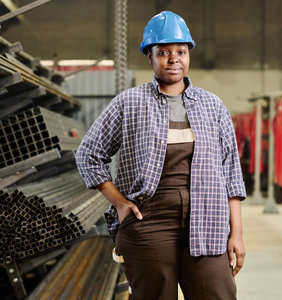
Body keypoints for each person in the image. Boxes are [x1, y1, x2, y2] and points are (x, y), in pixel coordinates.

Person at [75, 10, 246, 300]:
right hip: (148, 221)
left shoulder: (212, 106)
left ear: (188, 54)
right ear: (149, 56)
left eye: (180, 51)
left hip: (208, 218)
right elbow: (88, 154)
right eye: (163, 52)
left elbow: (231, 173)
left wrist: (237, 233)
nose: (173, 58)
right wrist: (119, 203)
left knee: (217, 293)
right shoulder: (129, 103)